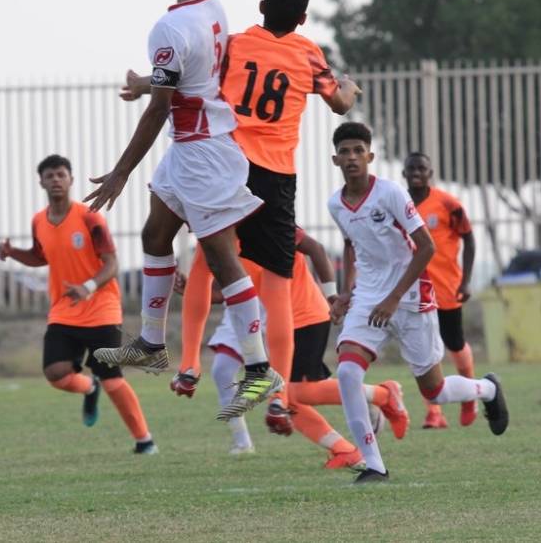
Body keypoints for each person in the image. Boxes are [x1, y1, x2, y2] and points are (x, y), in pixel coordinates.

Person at [127, 0, 359, 434]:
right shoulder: (308, 53)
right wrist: (349, 85)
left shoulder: (235, 45)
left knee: (206, 260)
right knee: (277, 283)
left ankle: (189, 363)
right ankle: (279, 397)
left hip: (229, 161)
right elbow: (339, 103)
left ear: (261, 6)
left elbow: (187, 77)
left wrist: (142, 84)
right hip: (276, 175)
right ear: (303, 18)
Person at [87, 0, 281, 421]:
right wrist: (145, 81)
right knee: (155, 235)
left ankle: (261, 370)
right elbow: (186, 77)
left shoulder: (169, 28)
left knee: (221, 258)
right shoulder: (213, 8)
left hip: (203, 155)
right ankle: (152, 344)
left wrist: (120, 172)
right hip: (189, 149)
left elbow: (160, 108)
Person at [327, 123, 509, 484]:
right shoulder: (336, 203)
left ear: (370, 156)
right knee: (347, 373)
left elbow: (426, 247)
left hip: (410, 298)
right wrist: (345, 292)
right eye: (345, 151)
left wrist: (394, 297)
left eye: (358, 150)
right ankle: (374, 464)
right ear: (336, 159)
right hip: (368, 298)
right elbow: (350, 244)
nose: (352, 157)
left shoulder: (390, 193)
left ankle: (487, 389)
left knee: (435, 392)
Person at [182, 228, 408, 468]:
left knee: (290, 395)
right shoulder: (217, 241)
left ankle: (383, 396)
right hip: (280, 325)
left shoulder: (267, 222)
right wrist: (190, 290)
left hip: (307, 317)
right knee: (282, 397)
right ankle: (344, 449)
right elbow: (227, 292)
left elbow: (316, 249)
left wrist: (332, 296)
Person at [0, 154, 155, 454]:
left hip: (102, 309)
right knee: (55, 374)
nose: (56, 180)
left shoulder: (89, 217)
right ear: (41, 182)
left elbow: (112, 264)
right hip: (64, 310)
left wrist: (88, 286)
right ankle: (89, 387)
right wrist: (12, 252)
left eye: (61, 174)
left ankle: (144, 440)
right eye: (50, 176)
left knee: (111, 379)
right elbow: (40, 256)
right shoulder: (39, 221)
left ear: (70, 179)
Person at [402, 152, 478, 429]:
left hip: (446, 287)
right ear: (404, 173)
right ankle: (434, 412)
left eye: (421, 168)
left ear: (430, 173)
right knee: (424, 352)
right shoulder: (398, 204)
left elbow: (469, 240)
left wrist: (465, 281)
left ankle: (469, 395)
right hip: (415, 290)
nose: (416, 173)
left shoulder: (448, 204)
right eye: (411, 168)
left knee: (454, 343)